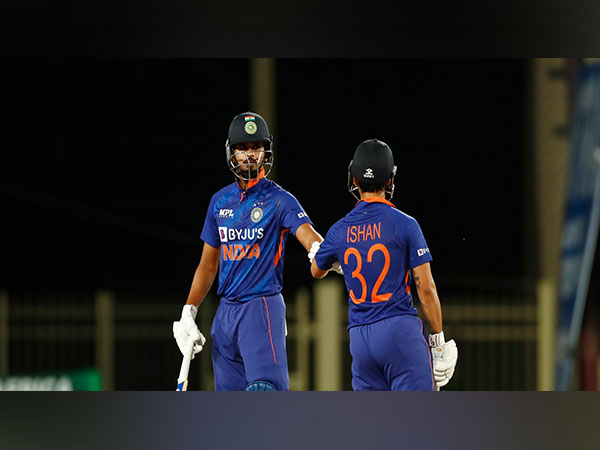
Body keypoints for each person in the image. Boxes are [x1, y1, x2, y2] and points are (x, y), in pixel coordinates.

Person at [173, 111, 340, 391]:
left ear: (266, 152)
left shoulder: (279, 200)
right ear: (231, 153)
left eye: (256, 148)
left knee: (264, 397)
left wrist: (320, 250)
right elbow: (208, 265)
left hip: (260, 308)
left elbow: (308, 236)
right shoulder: (219, 202)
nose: (250, 155)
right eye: (243, 148)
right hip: (225, 315)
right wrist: (189, 311)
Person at [309, 138, 457, 391]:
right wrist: (438, 342)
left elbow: (316, 270)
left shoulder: (339, 231)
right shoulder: (405, 224)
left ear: (354, 179)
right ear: (390, 181)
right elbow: (426, 289)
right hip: (399, 331)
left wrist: (337, 264)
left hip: (360, 338)